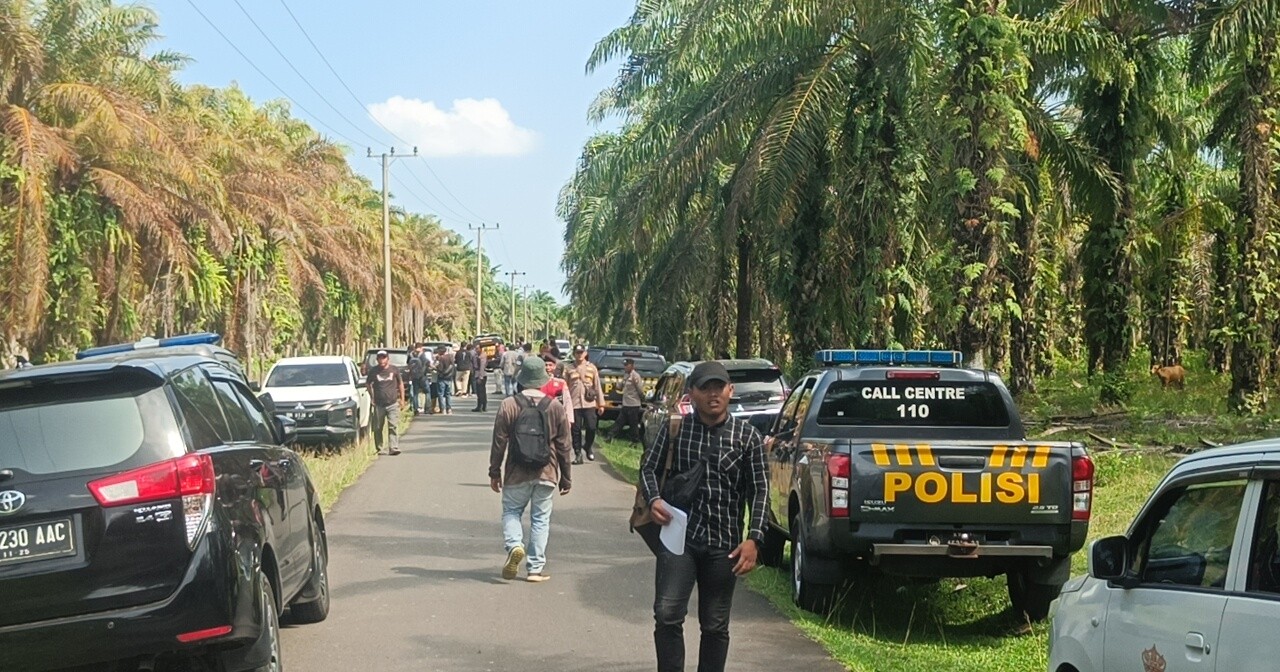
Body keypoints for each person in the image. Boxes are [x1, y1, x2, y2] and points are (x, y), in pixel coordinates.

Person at [639, 361, 769, 672]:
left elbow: (761, 490)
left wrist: (754, 539)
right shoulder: (676, 429)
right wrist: (654, 498)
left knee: (714, 625)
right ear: (692, 394)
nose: (714, 394)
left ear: (730, 391)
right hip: (678, 541)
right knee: (667, 614)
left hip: (723, 545)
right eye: (705, 388)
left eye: (719, 387)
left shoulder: (747, 437)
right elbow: (648, 469)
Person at [489, 357, 573, 582]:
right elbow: (565, 445)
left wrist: (494, 472)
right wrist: (566, 478)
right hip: (546, 472)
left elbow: (499, 442)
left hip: (516, 472)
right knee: (540, 519)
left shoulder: (508, 405)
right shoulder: (554, 407)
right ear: (542, 381)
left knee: (511, 512)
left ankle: (515, 545)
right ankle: (534, 569)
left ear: (522, 378)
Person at [564, 345, 604, 464]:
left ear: (585, 353)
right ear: (574, 354)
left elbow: (597, 386)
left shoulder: (592, 368)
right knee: (575, 430)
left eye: (581, 352)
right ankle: (577, 454)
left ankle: (587, 446)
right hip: (574, 404)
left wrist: (600, 404)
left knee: (591, 427)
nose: (579, 354)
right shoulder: (569, 368)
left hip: (589, 403)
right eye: (577, 352)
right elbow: (565, 387)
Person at [365, 350, 406, 456]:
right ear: (377, 359)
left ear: (388, 359)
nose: (382, 360)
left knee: (393, 425)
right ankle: (379, 448)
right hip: (379, 404)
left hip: (392, 403)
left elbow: (400, 384)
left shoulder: (394, 370)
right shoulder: (374, 371)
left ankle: (393, 447)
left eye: (384, 357)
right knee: (378, 427)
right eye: (380, 358)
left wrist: (402, 399)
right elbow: (368, 384)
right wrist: (372, 396)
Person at [610, 358, 645, 443]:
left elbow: (640, 390)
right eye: (624, 365)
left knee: (633, 424)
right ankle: (610, 436)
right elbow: (620, 386)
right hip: (626, 404)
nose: (625, 367)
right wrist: (615, 385)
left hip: (633, 404)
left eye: (627, 365)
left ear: (632, 366)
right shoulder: (626, 375)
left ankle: (635, 441)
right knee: (619, 422)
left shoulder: (635, 376)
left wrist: (643, 399)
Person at [435, 346, 456, 415]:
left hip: (442, 378)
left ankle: (443, 409)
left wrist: (436, 368)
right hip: (449, 378)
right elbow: (453, 367)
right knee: (448, 394)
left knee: (441, 394)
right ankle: (449, 409)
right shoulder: (451, 357)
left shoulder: (441, 359)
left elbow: (440, 369)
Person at [407, 344, 426, 416]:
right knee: (423, 392)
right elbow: (425, 364)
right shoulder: (422, 356)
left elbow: (408, 364)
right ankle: (422, 407)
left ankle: (415, 408)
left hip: (413, 376)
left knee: (415, 393)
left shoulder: (411, 355)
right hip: (421, 376)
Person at [472, 345, 489, 412]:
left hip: (481, 375)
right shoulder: (477, 355)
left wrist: (480, 377)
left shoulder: (482, 356)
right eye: (475, 348)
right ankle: (481, 406)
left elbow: (482, 367)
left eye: (477, 348)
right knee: (480, 392)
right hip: (478, 374)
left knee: (481, 392)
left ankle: (481, 406)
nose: (476, 350)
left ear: (481, 349)